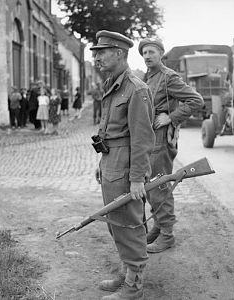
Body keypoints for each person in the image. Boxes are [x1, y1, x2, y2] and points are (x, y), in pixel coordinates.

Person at [90, 30, 155, 300]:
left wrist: (138, 179)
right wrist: (101, 161)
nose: (97, 58)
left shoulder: (136, 89)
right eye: (96, 53)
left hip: (127, 167)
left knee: (129, 225)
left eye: (101, 52)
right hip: (111, 162)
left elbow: (142, 139)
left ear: (119, 53)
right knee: (115, 223)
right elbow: (109, 130)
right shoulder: (112, 84)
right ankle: (125, 270)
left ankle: (134, 286)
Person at [138, 38, 204, 253]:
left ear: (161, 53)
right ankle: (158, 226)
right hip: (149, 139)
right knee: (151, 187)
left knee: (159, 186)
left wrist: (172, 117)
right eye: (144, 53)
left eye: (151, 52)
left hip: (161, 140)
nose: (147, 56)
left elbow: (196, 100)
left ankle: (167, 236)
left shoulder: (169, 77)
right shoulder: (148, 77)